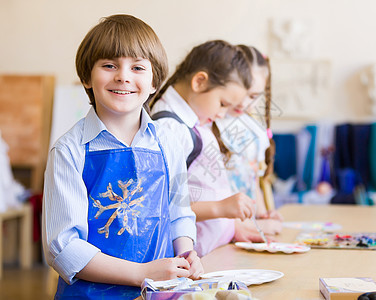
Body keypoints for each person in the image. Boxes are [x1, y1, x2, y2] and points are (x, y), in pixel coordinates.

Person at [42, 14, 202, 299]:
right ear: (86, 77)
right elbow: (64, 248)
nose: (123, 76)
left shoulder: (169, 142)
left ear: (154, 82)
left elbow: (180, 212)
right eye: (109, 65)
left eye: (138, 67)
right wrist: (141, 273)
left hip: (160, 292)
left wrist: (187, 251)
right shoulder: (69, 150)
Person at [149, 40, 265, 257]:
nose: (222, 114)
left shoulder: (195, 120)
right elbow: (160, 206)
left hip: (214, 250)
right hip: (191, 257)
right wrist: (221, 208)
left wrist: (233, 226)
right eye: (222, 103)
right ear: (199, 82)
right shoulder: (170, 128)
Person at [214, 45, 283, 235]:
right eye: (242, 92)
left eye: (253, 96)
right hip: (221, 231)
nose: (244, 103)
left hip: (249, 230)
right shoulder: (210, 122)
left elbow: (252, 180)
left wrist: (262, 215)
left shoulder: (253, 129)